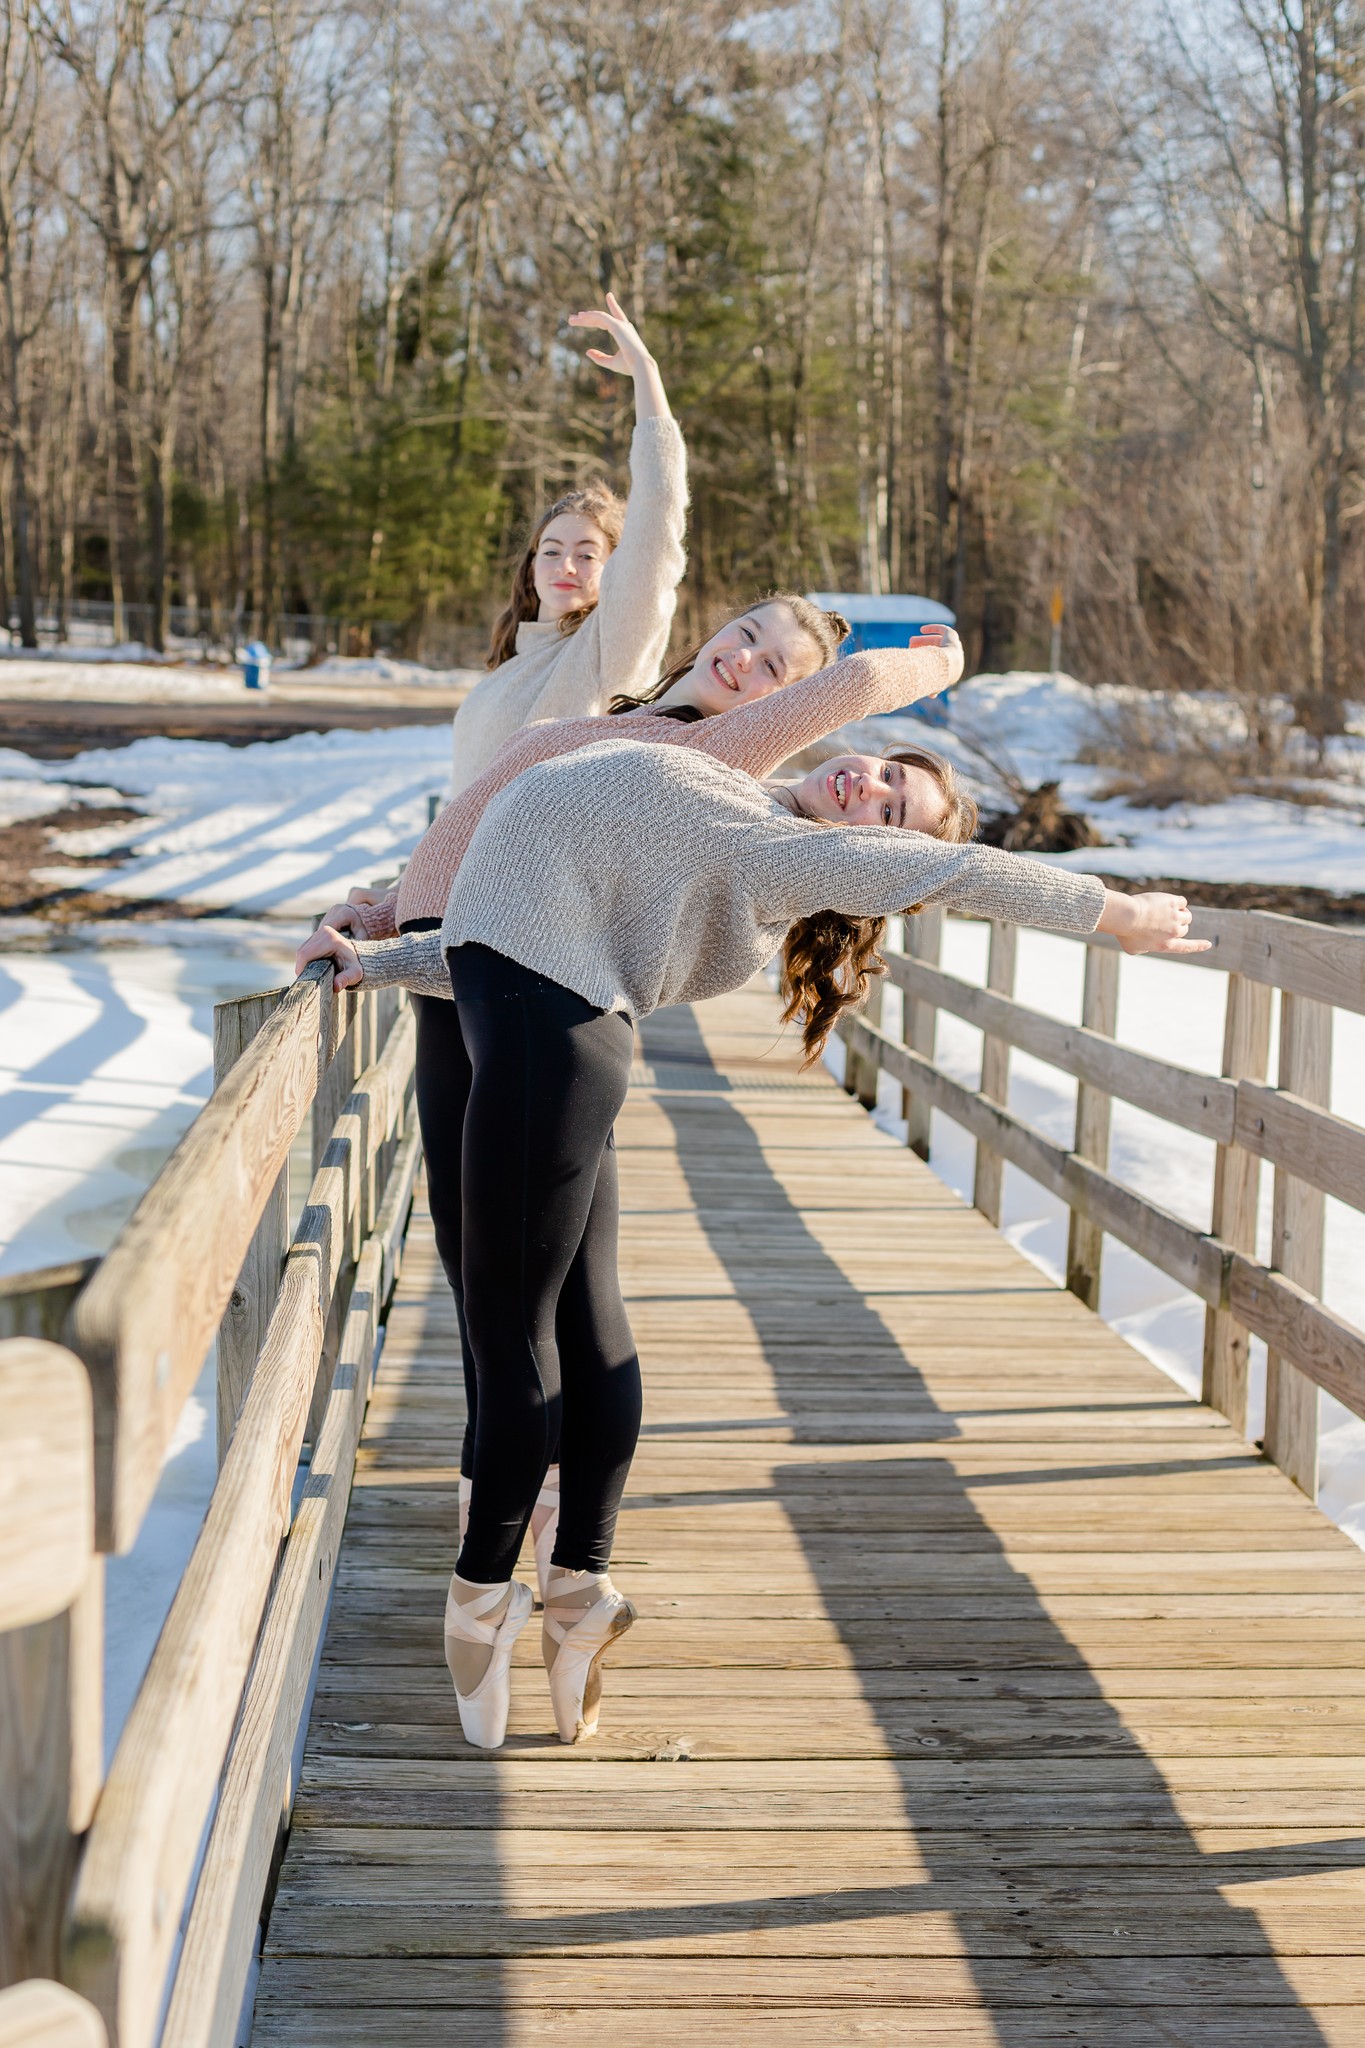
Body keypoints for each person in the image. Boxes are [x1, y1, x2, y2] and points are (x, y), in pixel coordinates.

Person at [300, 701, 1209, 1753]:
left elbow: (967, 873)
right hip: (553, 1020)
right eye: (884, 768)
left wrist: (1116, 912)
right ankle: (581, 1590)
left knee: (514, 1339)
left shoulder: (784, 853)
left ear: (881, 852)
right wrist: (382, 962)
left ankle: (477, 1598)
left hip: (557, 1046)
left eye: (895, 805)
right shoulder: (742, 799)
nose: (868, 780)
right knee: (587, 1329)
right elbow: (519, 924)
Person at [310, 619, 953, 1604]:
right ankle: (547, 1539)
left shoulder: (714, 758)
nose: (746, 662)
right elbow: (489, 823)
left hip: (508, 988)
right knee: (506, 1273)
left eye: (777, 671)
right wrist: (387, 906)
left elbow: (858, 676)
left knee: (528, 1295)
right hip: (456, 964)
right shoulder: (649, 729)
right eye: (746, 634)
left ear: (783, 712)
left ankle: (527, 1551)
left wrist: (943, 657)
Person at [447, 292, 688, 798]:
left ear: (615, 570)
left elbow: (659, 513)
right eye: (551, 550)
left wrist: (646, 372)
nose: (567, 564)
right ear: (531, 565)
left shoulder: (609, 649)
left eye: (588, 553)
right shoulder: (506, 668)